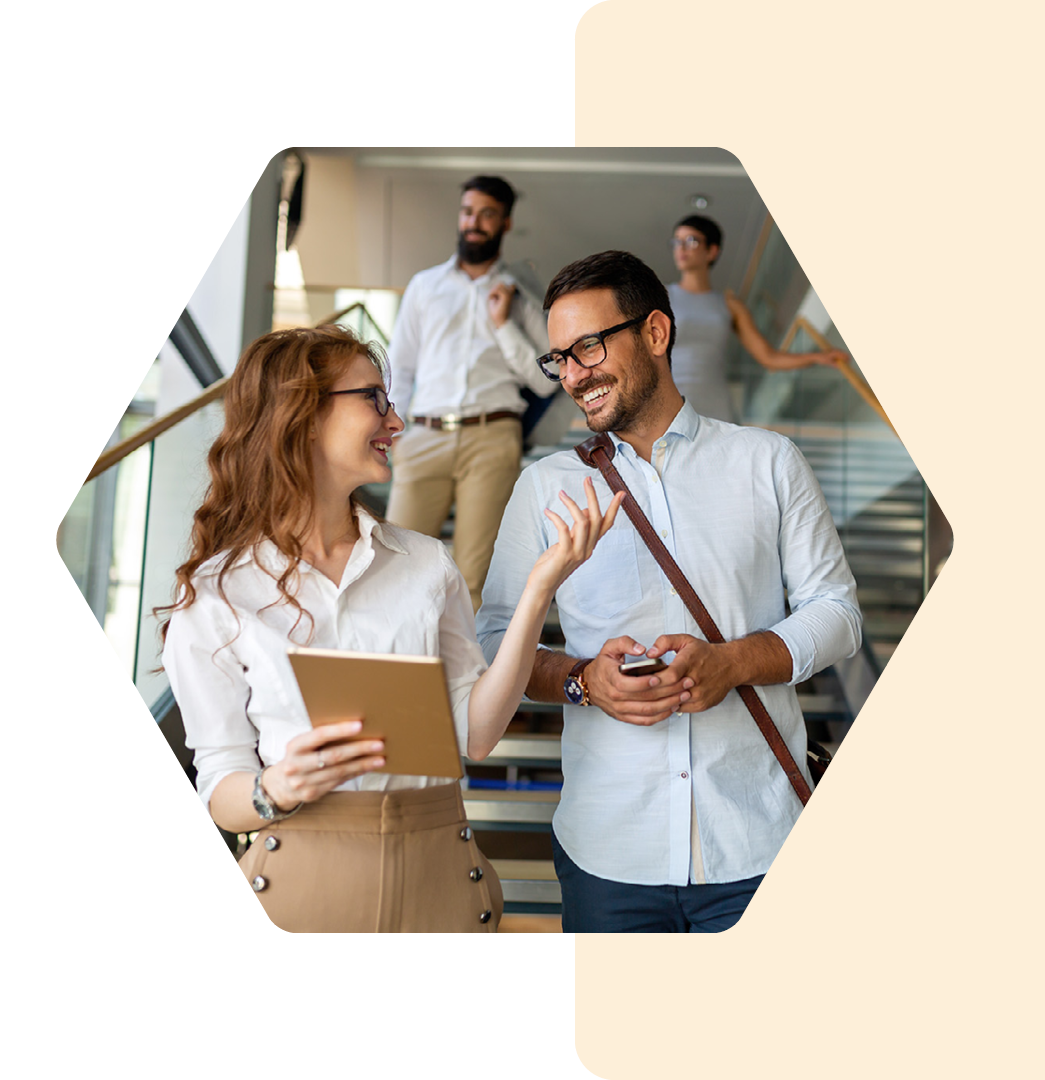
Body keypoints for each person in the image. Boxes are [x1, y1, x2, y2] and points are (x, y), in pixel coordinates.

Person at [159, 324, 622, 933]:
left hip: (442, 883)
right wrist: (276, 785)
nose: (397, 421)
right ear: (300, 414)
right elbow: (220, 785)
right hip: (296, 894)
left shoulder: (426, 564)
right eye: (374, 398)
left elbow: (477, 736)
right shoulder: (218, 593)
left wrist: (541, 587)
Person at [476, 251, 862, 933]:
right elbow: (493, 640)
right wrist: (582, 680)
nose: (572, 375)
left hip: (760, 844)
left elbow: (837, 613)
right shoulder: (544, 487)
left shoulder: (767, 460)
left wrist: (733, 662)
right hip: (608, 852)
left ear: (656, 331)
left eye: (588, 347)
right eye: (558, 358)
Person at [385, 175, 558, 613]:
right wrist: (397, 434)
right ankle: (400, 673)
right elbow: (399, 367)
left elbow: (548, 377)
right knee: (392, 565)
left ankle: (467, 681)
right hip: (422, 436)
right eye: (467, 212)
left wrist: (504, 326)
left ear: (505, 223)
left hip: (491, 437)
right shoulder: (425, 286)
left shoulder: (518, 298)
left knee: (474, 577)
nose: (474, 222)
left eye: (486, 214)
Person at [667, 214, 848, 422]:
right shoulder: (660, 298)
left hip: (716, 408)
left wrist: (816, 357)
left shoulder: (730, 305)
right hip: (671, 406)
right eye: (676, 241)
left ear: (712, 251)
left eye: (691, 241)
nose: (681, 248)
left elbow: (768, 357)